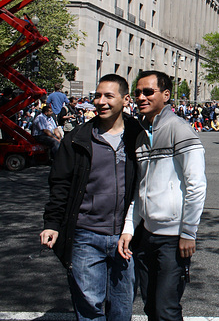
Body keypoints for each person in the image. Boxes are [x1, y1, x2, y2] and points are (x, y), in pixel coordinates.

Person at [40, 74, 143, 321]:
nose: (101, 101)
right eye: (97, 96)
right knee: (89, 307)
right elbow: (60, 185)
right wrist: (52, 224)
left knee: (121, 306)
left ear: (125, 99)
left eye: (109, 96)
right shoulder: (77, 138)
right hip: (85, 235)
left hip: (125, 236)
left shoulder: (140, 137)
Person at [118, 70, 206, 321]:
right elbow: (140, 188)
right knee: (150, 307)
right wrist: (129, 228)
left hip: (173, 238)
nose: (141, 97)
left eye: (148, 92)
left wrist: (188, 232)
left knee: (166, 309)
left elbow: (196, 185)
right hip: (146, 236)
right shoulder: (140, 136)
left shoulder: (180, 129)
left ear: (166, 95)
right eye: (137, 93)